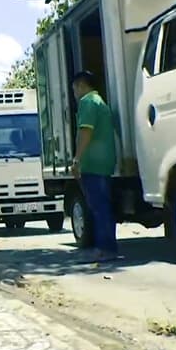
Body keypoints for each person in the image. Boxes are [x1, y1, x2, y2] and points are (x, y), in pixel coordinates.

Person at [71, 70, 119, 262]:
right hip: (104, 161)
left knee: (99, 207)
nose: (74, 94)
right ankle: (106, 246)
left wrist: (76, 159)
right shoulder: (99, 101)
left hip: (93, 163)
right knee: (102, 206)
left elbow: (86, 131)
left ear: (82, 86)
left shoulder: (88, 102)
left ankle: (106, 248)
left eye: (74, 89)